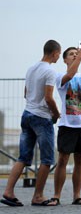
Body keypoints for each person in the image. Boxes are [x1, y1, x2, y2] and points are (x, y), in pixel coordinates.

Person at [1, 40, 62, 207]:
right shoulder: (50, 71)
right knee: (47, 159)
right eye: (58, 54)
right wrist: (56, 114)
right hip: (42, 118)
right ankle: (38, 196)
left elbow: (26, 93)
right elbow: (49, 98)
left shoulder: (31, 68)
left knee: (23, 157)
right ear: (55, 53)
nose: (58, 57)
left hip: (27, 114)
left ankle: (8, 191)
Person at [52, 45, 81, 206]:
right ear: (64, 59)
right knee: (63, 159)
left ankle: (77, 195)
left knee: (80, 160)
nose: (74, 56)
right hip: (67, 123)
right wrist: (80, 56)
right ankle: (56, 195)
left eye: (75, 54)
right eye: (71, 54)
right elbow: (70, 75)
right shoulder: (59, 76)